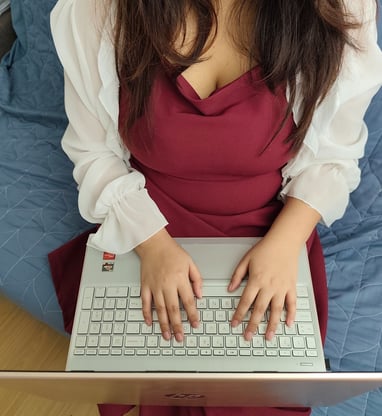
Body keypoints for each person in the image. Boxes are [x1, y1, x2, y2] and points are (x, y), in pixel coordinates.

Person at [49, 0, 382, 415]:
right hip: (145, 221)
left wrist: (284, 246)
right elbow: (94, 153)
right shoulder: (97, 10)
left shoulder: (338, 9)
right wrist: (153, 247)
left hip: (271, 228)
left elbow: (331, 156)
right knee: (150, 382)